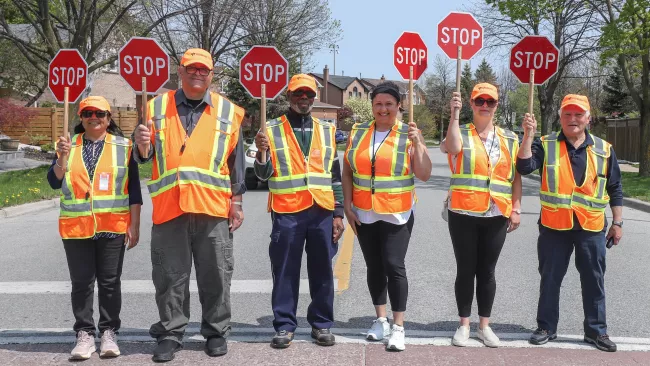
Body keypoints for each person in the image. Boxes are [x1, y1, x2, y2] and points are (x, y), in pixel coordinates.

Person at [133, 48, 246, 362]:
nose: (198, 74)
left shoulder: (229, 112)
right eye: (191, 68)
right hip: (171, 209)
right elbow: (143, 157)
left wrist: (236, 202)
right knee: (170, 276)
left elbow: (236, 163)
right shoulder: (154, 108)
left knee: (217, 274)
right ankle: (171, 332)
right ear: (179, 71)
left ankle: (216, 332)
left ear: (212, 75)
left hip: (213, 209)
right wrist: (142, 146)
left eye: (204, 70)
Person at [517, 94, 624, 352]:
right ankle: (546, 327)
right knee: (550, 279)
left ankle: (596, 332)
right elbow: (523, 167)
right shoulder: (546, 144)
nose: (573, 119)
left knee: (594, 280)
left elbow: (615, 187)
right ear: (560, 117)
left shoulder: (604, 149)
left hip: (592, 227)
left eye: (578, 114)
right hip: (555, 226)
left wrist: (618, 222)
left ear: (588, 118)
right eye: (567, 114)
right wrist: (527, 136)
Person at [48, 96, 142, 360]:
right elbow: (54, 183)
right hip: (76, 227)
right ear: (81, 118)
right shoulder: (68, 145)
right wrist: (61, 158)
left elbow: (134, 190)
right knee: (81, 283)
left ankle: (109, 332)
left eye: (100, 113)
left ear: (108, 118)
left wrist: (135, 224)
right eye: (88, 113)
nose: (94, 117)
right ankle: (85, 334)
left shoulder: (124, 147)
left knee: (110, 283)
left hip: (112, 226)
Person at [254, 74, 345, 349]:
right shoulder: (269, 130)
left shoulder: (327, 130)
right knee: (284, 271)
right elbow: (261, 175)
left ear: (314, 98)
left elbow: (335, 175)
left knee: (322, 270)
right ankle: (284, 325)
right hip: (287, 211)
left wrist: (338, 212)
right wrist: (261, 153)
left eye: (308, 94)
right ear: (288, 96)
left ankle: (321, 324)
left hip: (321, 211)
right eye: (297, 94)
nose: (303, 99)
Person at [342, 81, 432, 351]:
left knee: (394, 265)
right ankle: (380, 319)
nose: (383, 109)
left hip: (397, 213)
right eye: (378, 104)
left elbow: (424, 173)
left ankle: (398, 326)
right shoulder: (358, 132)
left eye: (389, 104)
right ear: (372, 105)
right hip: (364, 212)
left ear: (399, 106)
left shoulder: (409, 133)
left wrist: (419, 143)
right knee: (374, 267)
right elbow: (347, 170)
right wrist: (347, 204)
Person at [441, 83, 522, 348]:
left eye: (490, 101)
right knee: (466, 270)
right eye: (479, 101)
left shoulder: (509, 138)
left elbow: (515, 177)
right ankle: (464, 325)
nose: (485, 105)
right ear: (471, 103)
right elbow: (452, 148)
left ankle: (484, 326)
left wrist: (517, 208)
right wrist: (454, 115)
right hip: (463, 211)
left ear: (497, 105)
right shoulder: (460, 131)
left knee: (487, 272)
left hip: (496, 212)